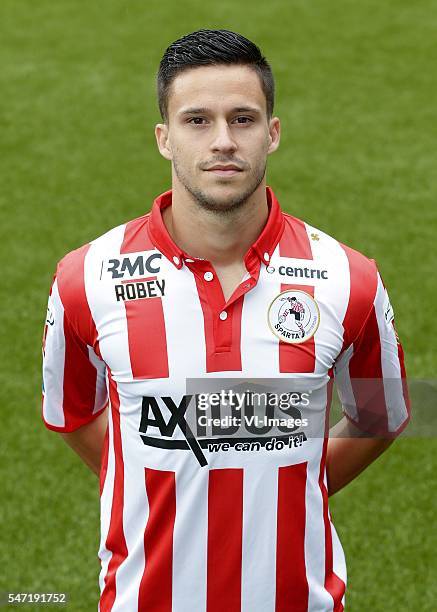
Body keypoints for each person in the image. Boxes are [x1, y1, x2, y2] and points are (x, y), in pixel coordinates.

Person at [41, 29, 410, 612]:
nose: (222, 142)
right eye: (196, 121)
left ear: (273, 132)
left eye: (243, 119)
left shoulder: (349, 278)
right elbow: (74, 412)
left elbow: (380, 415)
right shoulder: (85, 279)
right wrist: (160, 476)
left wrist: (291, 479)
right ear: (164, 139)